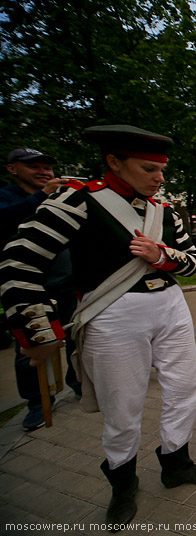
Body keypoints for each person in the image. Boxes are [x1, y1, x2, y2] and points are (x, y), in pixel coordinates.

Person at [0, 125, 196, 528]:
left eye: (161, 169)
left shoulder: (165, 211)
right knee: (123, 406)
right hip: (114, 312)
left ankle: (176, 462)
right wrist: (37, 334)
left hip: (171, 305)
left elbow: (193, 260)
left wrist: (162, 254)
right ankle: (123, 486)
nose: (159, 178)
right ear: (115, 162)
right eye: (148, 168)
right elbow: (19, 262)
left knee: (186, 387)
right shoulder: (77, 201)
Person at [1, 148, 81, 431]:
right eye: (34, 166)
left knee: (76, 337)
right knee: (32, 343)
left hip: (65, 280)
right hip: (27, 287)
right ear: (13, 169)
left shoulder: (61, 198)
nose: (44, 172)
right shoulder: (7, 198)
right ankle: (37, 402)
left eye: (47, 167)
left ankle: (78, 384)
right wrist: (41, 196)